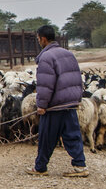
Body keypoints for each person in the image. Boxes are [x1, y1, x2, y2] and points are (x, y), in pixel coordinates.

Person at [26, 25, 88, 177]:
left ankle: (40, 167)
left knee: (46, 137)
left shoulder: (46, 57)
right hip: (70, 103)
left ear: (43, 39)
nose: (38, 41)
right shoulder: (68, 54)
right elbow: (77, 78)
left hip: (54, 106)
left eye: (38, 38)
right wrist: (76, 98)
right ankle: (80, 165)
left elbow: (46, 85)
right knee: (73, 135)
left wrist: (41, 105)